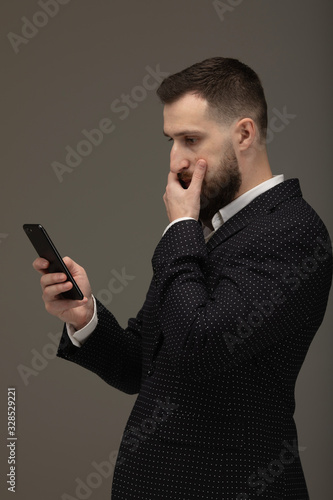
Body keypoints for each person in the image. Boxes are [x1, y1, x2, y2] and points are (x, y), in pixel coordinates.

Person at [33, 57, 332, 499]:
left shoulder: (292, 230)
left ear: (244, 134)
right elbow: (143, 365)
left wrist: (180, 229)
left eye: (191, 139)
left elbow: (201, 346)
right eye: (172, 140)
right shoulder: (211, 231)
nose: (176, 160)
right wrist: (85, 316)